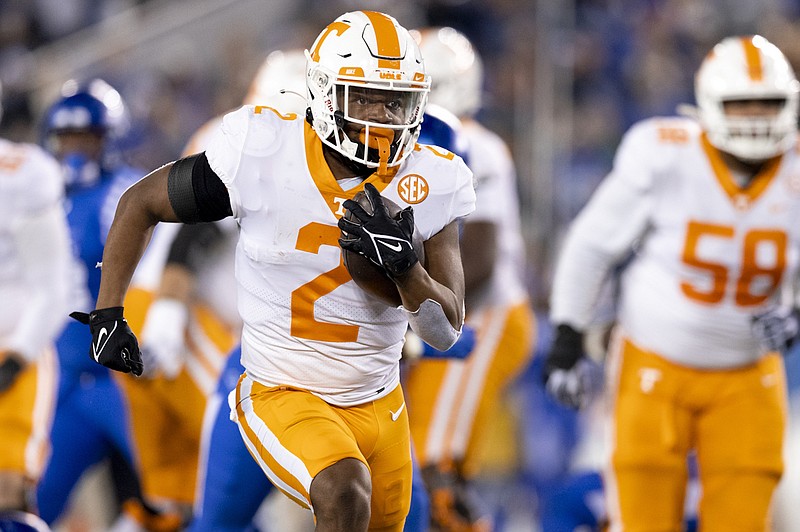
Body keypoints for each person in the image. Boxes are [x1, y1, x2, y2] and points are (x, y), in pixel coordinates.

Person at [71, 10, 475, 532]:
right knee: (342, 490)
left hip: (379, 402)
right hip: (281, 388)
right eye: (367, 97)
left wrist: (405, 269)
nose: (382, 115)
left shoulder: (432, 176)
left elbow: (444, 329)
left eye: (395, 100)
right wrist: (108, 312)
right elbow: (140, 202)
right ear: (327, 95)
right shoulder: (264, 152)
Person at [544, 35, 800, 530]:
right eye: (740, 104)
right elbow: (592, 243)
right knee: (642, 518)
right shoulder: (665, 153)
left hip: (748, 374)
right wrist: (568, 334)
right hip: (653, 363)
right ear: (707, 107)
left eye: (766, 104)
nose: (755, 117)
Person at [405, 26, 536, 531]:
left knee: (435, 470)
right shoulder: (395, 147)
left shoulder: (476, 145)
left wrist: (413, 320)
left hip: (479, 317)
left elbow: (477, 260)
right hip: (436, 320)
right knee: (418, 465)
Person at [35, 79, 179, 530]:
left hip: (124, 380)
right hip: (66, 383)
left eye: (87, 139)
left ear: (109, 139)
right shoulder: (38, 202)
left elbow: (154, 274)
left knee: (175, 496)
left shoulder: (126, 196)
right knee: (26, 498)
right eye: (67, 140)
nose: (75, 151)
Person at [0, 80, 72, 515]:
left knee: (8, 497)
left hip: (11, 355)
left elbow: (52, 284)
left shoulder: (18, 174)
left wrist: (17, 358)